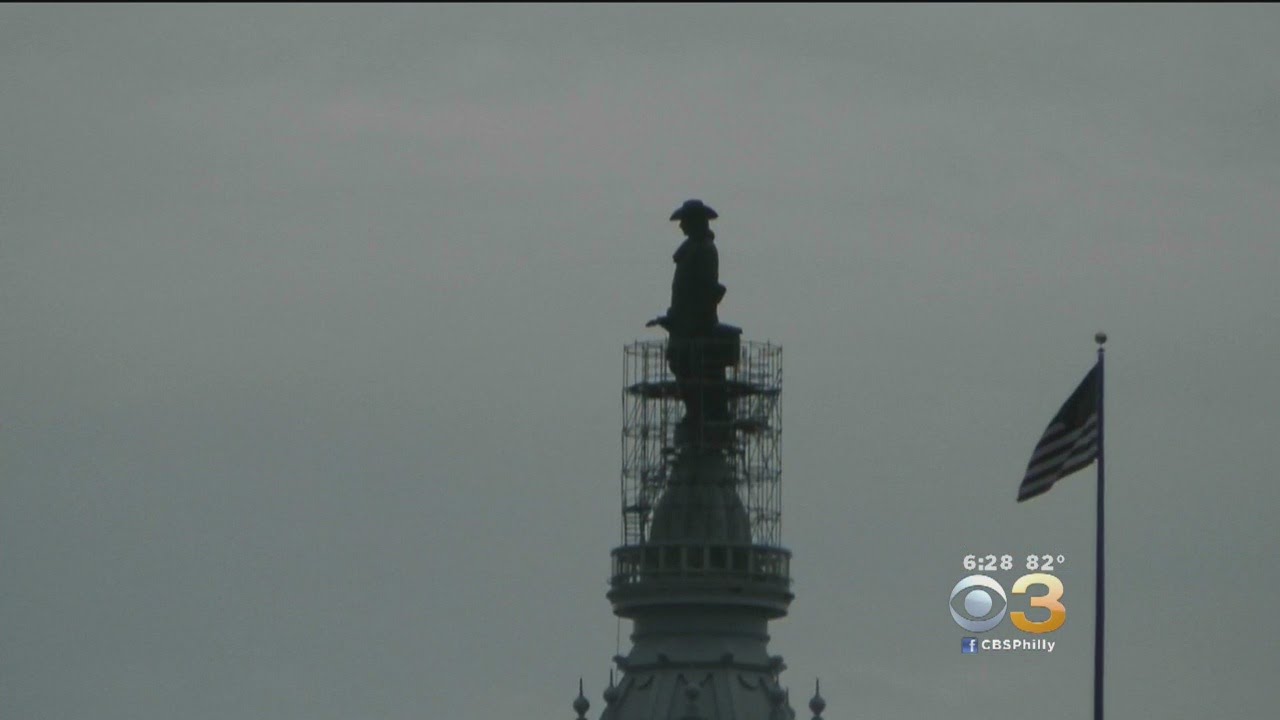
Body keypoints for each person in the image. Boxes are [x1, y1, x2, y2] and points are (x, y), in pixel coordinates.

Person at [646, 200, 732, 444]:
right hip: (684, 323)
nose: (681, 226)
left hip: (695, 326)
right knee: (681, 366)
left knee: (692, 369)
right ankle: (695, 414)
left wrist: (685, 319)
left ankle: (699, 416)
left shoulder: (704, 250)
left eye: (685, 221)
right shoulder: (692, 249)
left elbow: (703, 291)